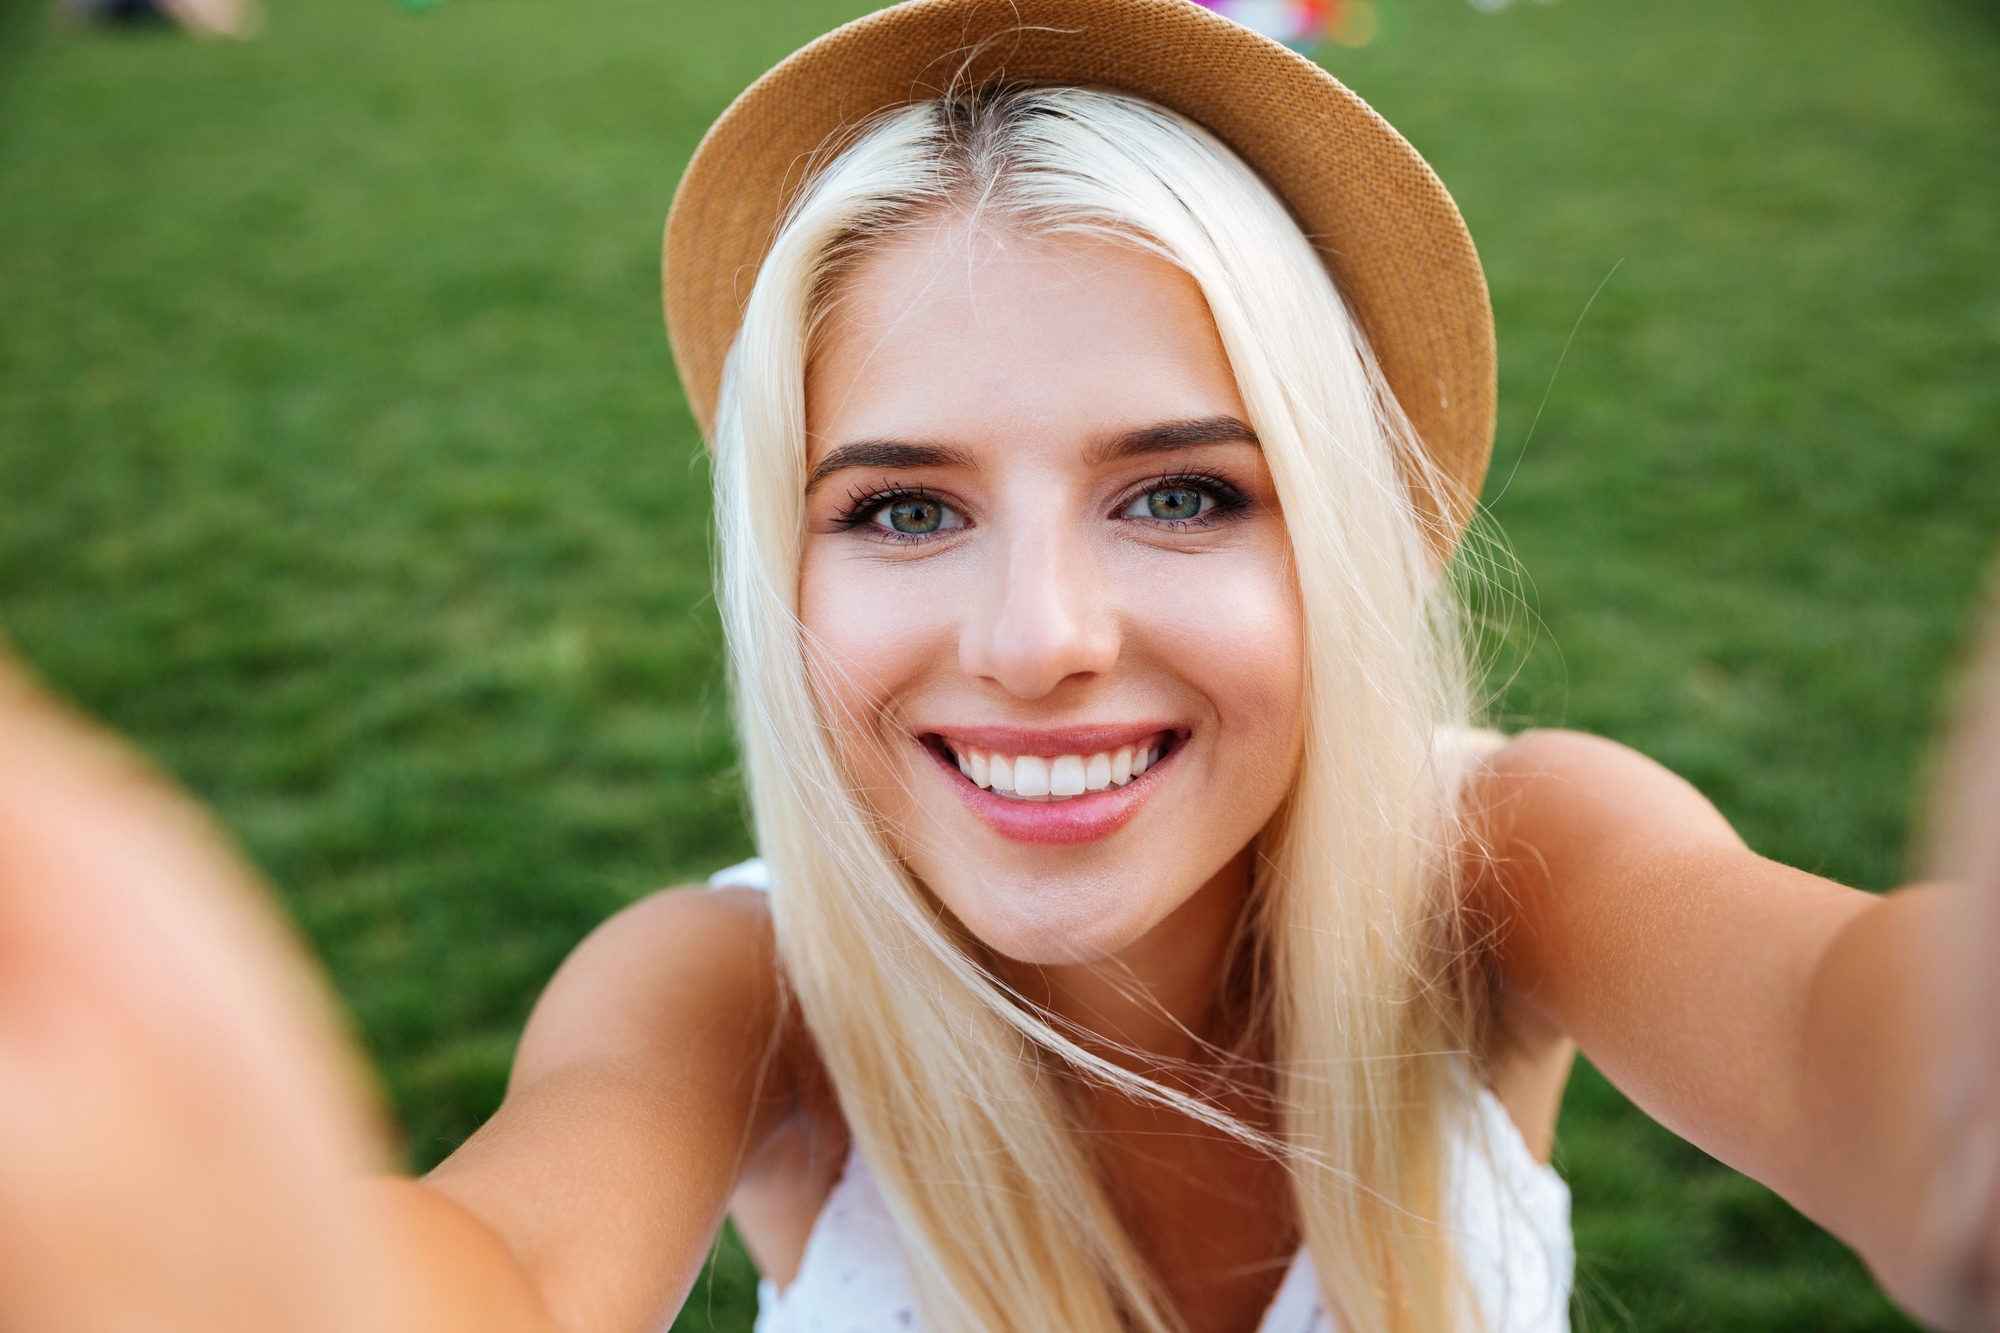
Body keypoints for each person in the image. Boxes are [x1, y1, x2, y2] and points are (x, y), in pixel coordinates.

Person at [0, 2, 1993, 1331]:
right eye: (900, 509)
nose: (1038, 637)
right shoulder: (735, 991)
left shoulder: (1511, 864)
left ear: (1348, 533)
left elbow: (1863, 1051)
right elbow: (498, 1266)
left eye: (1186, 496)